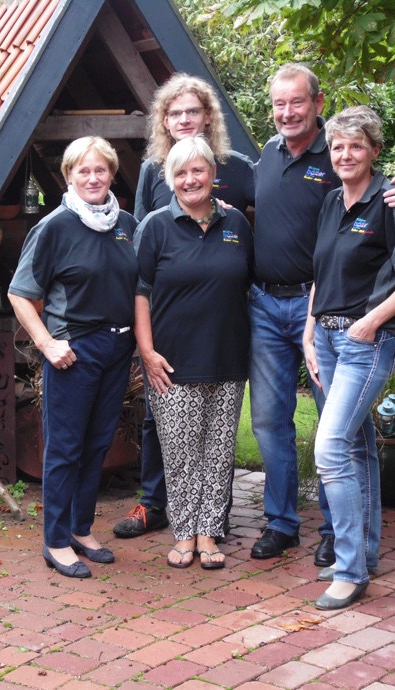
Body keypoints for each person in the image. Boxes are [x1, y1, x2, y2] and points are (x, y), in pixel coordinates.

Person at [249, 63, 395, 564]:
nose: (287, 112)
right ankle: (282, 524)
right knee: (268, 420)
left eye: (297, 102)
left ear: (318, 104)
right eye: (279, 104)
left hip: (338, 315)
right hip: (272, 306)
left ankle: (335, 532)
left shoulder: (337, 154)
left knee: (335, 428)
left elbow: (388, 201)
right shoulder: (265, 155)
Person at [114, 73, 255, 540]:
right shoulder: (155, 173)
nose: (183, 120)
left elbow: (269, 216)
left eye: (191, 111)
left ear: (207, 116)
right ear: (164, 121)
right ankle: (159, 506)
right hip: (171, 333)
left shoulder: (237, 170)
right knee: (164, 425)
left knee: (215, 437)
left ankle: (211, 520)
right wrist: (145, 344)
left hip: (222, 333)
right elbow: (136, 249)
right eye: (174, 114)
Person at [303, 105, 395, 609]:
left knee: (330, 449)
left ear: (375, 150)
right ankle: (367, 554)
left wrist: (373, 320)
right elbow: (321, 274)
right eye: (337, 146)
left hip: (367, 342)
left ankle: (351, 571)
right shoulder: (331, 202)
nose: (345, 154)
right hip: (329, 342)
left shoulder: (393, 201)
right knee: (357, 449)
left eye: (356, 145)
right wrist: (310, 333)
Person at [7, 136, 138, 579]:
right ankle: (56, 541)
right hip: (74, 352)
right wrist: (47, 343)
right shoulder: (54, 227)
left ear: (112, 174)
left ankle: (81, 528)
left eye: (100, 169)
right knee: (65, 448)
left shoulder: (128, 225)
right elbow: (20, 294)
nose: (93, 178)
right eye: (83, 170)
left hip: (118, 349)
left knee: (98, 443)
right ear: (68, 176)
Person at [134, 136, 253, 569]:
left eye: (198, 170)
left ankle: (209, 534)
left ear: (213, 174)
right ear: (170, 180)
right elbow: (140, 292)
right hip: (171, 361)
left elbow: (246, 285)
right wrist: (146, 351)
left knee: (219, 451)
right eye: (181, 173)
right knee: (182, 453)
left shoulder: (237, 225)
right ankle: (183, 534)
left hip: (227, 355)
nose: (190, 180)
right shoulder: (155, 227)